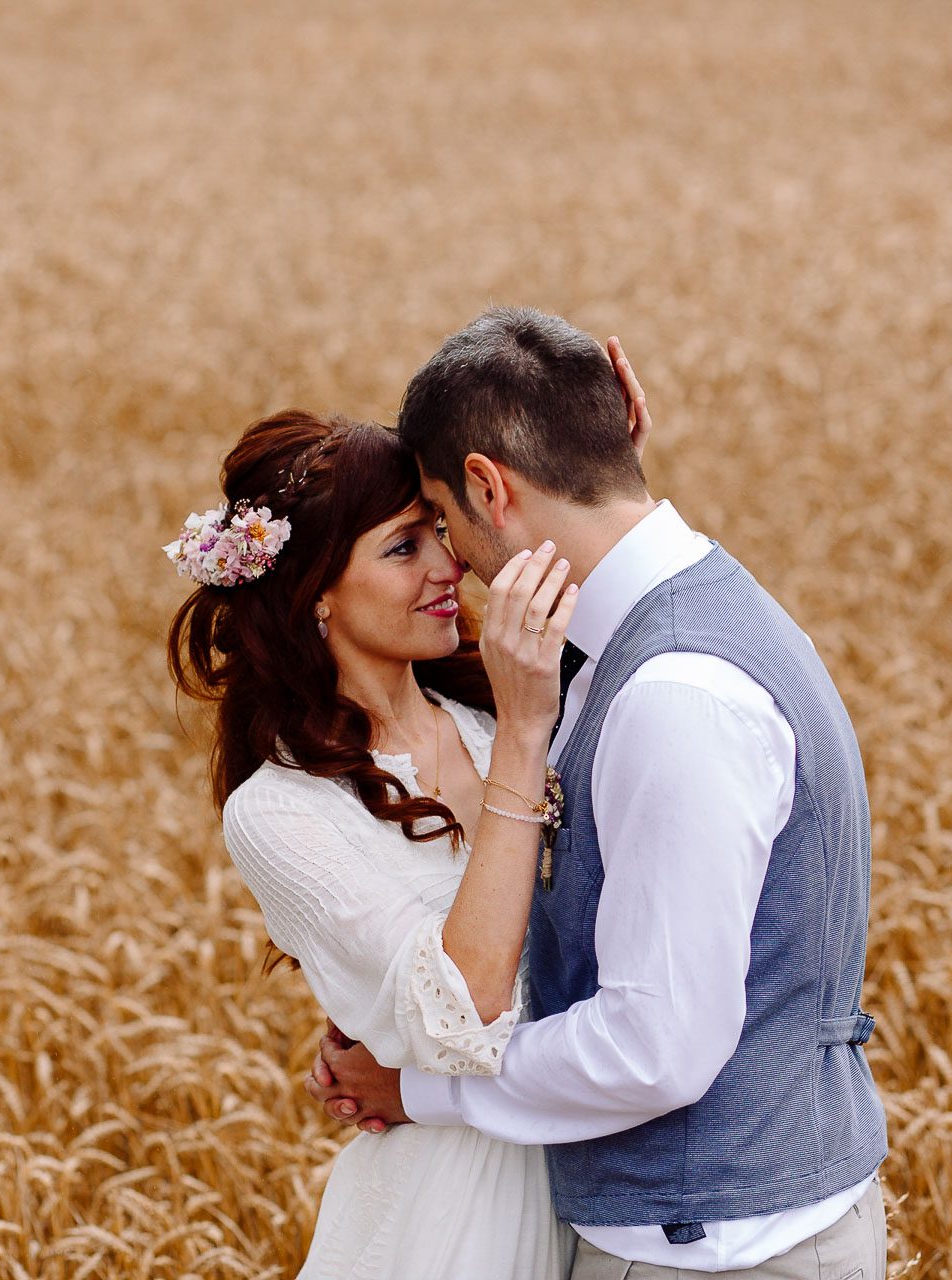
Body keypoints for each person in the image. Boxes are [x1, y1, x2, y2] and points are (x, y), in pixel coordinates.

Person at [305, 308, 890, 1279]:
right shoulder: (690, 616)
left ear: (489, 486)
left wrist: (422, 1090)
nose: (454, 562)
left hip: (709, 1252)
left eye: (445, 520)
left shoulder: (673, 696)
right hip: (736, 1227)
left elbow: (655, 1046)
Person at [165, 408, 587, 1278]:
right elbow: (463, 1007)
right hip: (453, 1222)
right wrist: (522, 738)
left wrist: (600, 464)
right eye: (403, 548)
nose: (449, 566)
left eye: (439, 530)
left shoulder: (496, 715)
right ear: (315, 591)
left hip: (604, 1183)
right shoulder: (281, 813)